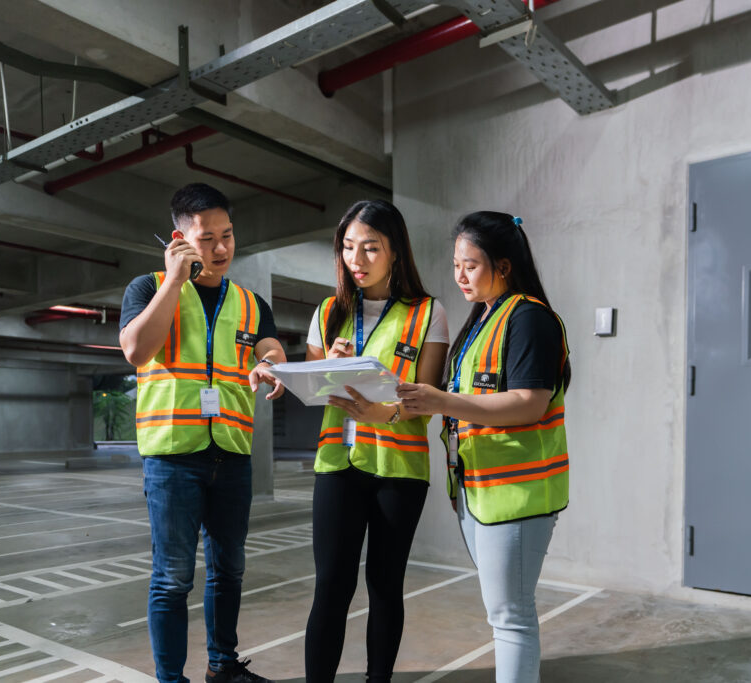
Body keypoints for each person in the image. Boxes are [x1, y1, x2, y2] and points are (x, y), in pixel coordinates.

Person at [119, 182, 285, 683]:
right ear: (179, 238)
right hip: (172, 457)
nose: (220, 249)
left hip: (232, 455)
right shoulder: (147, 287)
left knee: (229, 571)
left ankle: (223, 665)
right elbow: (136, 351)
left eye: (228, 236)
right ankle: (171, 678)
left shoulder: (251, 303)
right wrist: (174, 280)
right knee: (172, 579)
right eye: (207, 238)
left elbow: (271, 348)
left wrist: (270, 366)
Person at [396, 211, 571, 683]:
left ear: (505, 265)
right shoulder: (482, 321)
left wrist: (442, 400)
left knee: (511, 617)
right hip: (479, 493)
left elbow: (529, 404)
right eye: (456, 264)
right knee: (505, 613)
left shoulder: (529, 318)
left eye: (470, 265)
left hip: (516, 496)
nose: (459, 275)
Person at [302, 199, 449, 683]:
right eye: (348, 247)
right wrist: (330, 363)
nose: (356, 260)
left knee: (385, 586)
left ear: (395, 252)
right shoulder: (327, 313)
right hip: (336, 464)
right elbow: (313, 387)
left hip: (398, 468)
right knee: (331, 587)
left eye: (370, 248)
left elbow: (426, 398)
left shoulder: (429, 313)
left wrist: (381, 412)